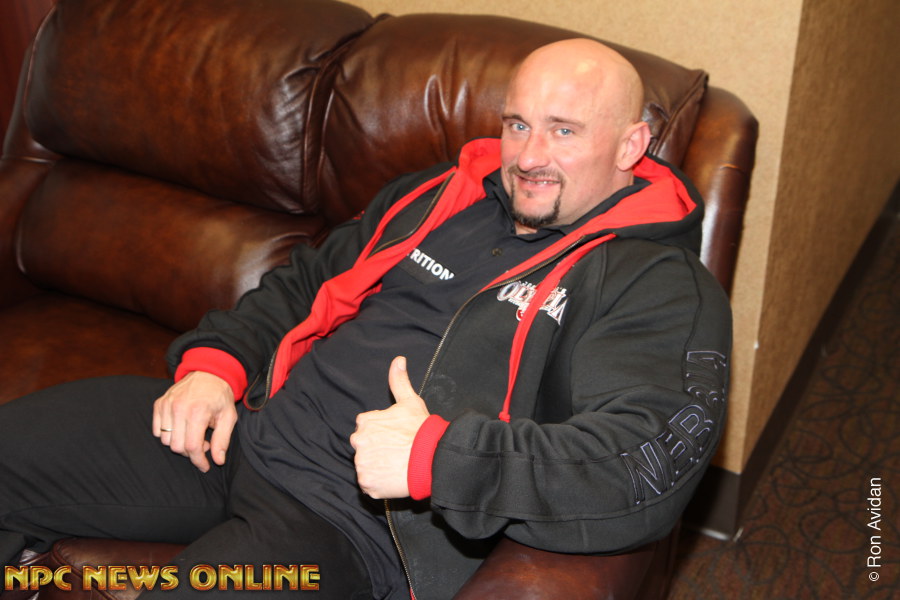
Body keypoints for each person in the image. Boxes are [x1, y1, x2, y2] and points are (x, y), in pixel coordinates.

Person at [0, 38, 730, 599]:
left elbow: (642, 458)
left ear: (630, 145)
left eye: (564, 131)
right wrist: (218, 366)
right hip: (244, 431)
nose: (529, 157)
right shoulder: (440, 196)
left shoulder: (654, 283)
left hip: (344, 523)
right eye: (518, 124)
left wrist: (440, 458)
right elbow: (308, 279)